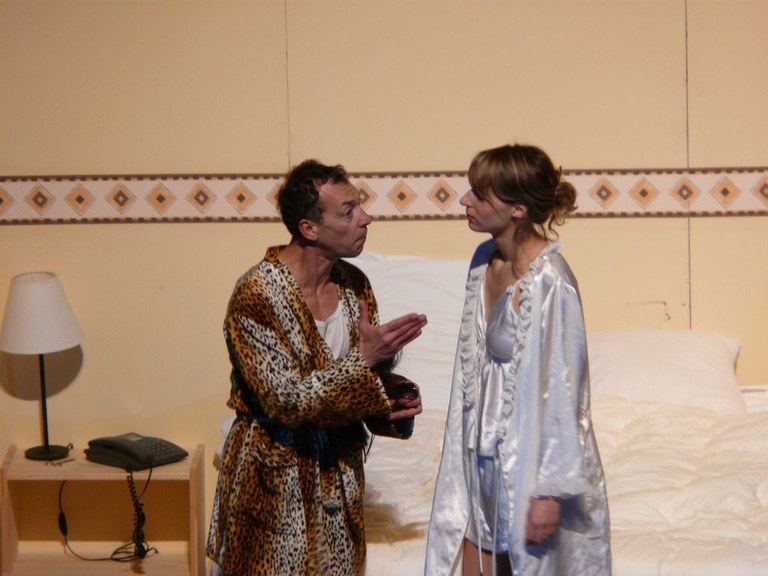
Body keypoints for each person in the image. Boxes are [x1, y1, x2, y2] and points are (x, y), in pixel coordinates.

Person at [206, 159, 428, 576]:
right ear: (309, 228)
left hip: (338, 480)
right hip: (273, 481)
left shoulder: (354, 286)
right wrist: (365, 361)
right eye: (348, 212)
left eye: (360, 207)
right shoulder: (256, 294)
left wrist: (389, 399)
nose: (366, 218)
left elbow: (357, 385)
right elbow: (287, 401)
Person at [425, 144, 611, 576]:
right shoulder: (483, 261)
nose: (465, 201)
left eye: (480, 195)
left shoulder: (552, 281)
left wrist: (549, 492)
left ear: (518, 210)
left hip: (530, 464)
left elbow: (565, 392)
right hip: (480, 455)